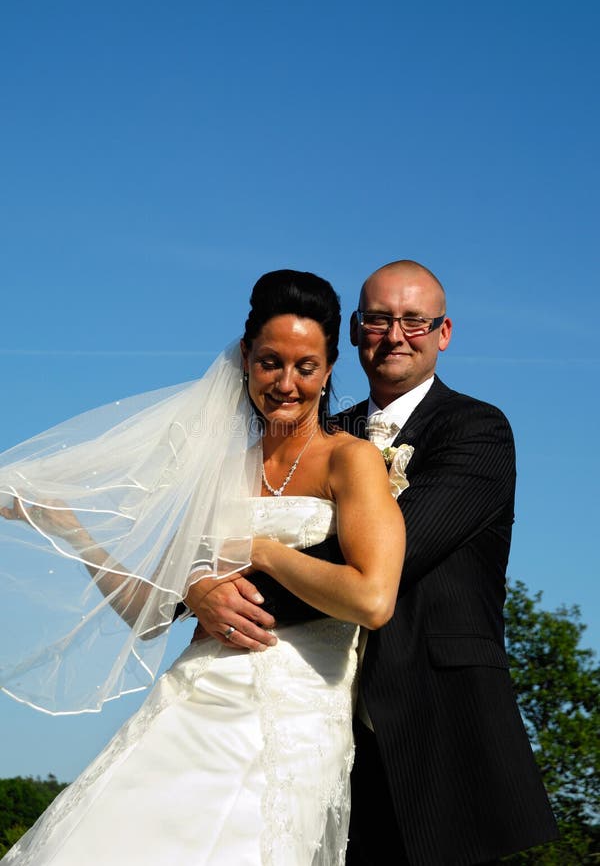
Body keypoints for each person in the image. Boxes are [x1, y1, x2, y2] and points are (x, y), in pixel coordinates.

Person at [0, 269, 405, 865]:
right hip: (193, 702)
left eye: (306, 367)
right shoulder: (217, 468)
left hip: (292, 718)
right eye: (270, 363)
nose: (286, 385)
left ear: (328, 367)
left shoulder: (353, 461)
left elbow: (372, 598)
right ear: (245, 358)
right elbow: (150, 612)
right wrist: (69, 527)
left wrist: (261, 549)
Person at [187, 260, 559, 865]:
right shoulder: (320, 433)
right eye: (379, 319)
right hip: (320, 725)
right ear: (355, 331)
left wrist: (233, 592)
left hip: (437, 724)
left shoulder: (477, 430)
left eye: (414, 321)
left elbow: (394, 555)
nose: (395, 335)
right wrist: (195, 587)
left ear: (443, 333)